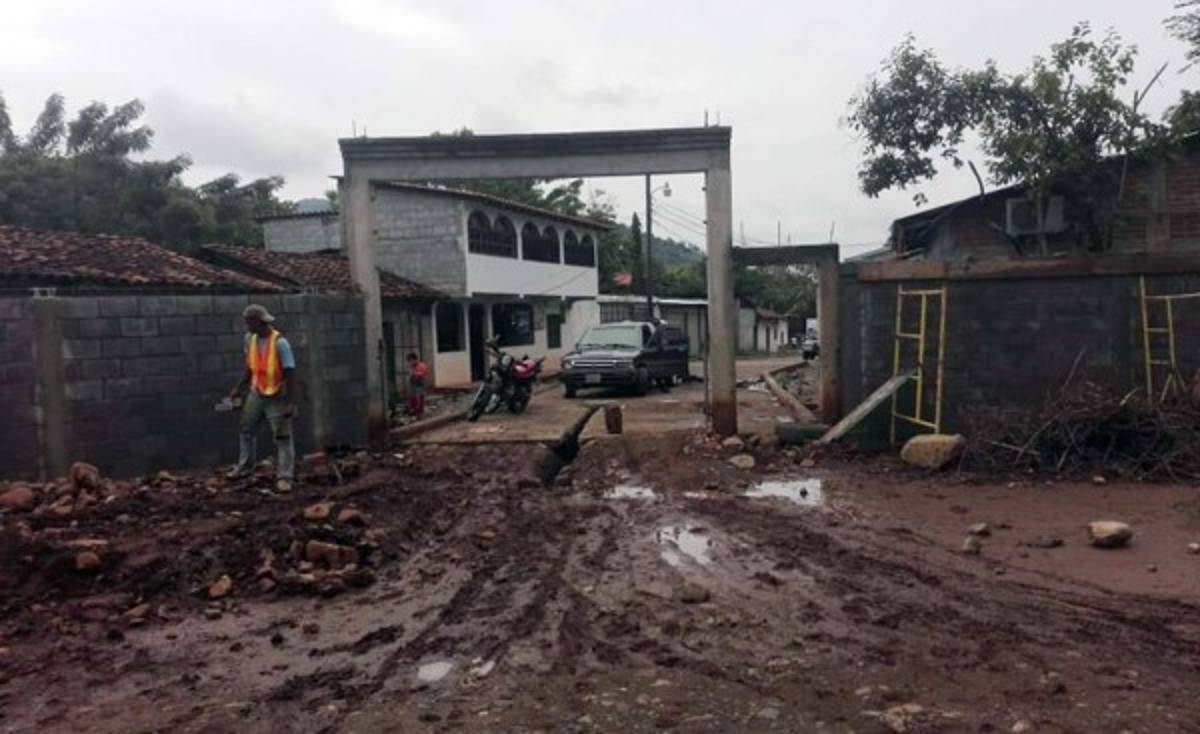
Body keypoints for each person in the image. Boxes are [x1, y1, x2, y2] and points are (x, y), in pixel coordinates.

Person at [226, 304, 298, 492]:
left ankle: (285, 477)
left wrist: (290, 403)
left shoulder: (280, 343)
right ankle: (244, 467)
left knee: (282, 437)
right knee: (246, 429)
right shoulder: (249, 339)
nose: (247, 326)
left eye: (249, 322)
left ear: (258, 321)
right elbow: (249, 368)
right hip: (257, 392)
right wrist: (239, 388)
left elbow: (290, 373)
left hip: (277, 395)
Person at [406, 352, 428, 419]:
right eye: (409, 361)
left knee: (420, 397)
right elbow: (410, 375)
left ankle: (420, 412)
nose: (410, 362)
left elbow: (422, 373)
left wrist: (414, 373)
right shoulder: (411, 366)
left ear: (414, 359)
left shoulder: (422, 365)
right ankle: (413, 410)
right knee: (412, 396)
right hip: (413, 383)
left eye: (411, 361)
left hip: (420, 384)